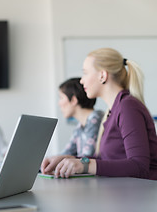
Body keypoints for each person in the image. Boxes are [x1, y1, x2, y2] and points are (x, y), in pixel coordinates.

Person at [41, 48, 157, 180]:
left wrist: (85, 165)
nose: (81, 81)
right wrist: (70, 159)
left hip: (143, 195)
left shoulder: (128, 107)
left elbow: (139, 166)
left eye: (85, 73)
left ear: (102, 75)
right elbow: (107, 160)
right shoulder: (114, 110)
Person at [58, 78, 104, 157]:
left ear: (73, 100)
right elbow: (67, 152)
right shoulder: (80, 126)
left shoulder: (96, 119)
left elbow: (87, 157)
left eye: (61, 98)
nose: (59, 103)